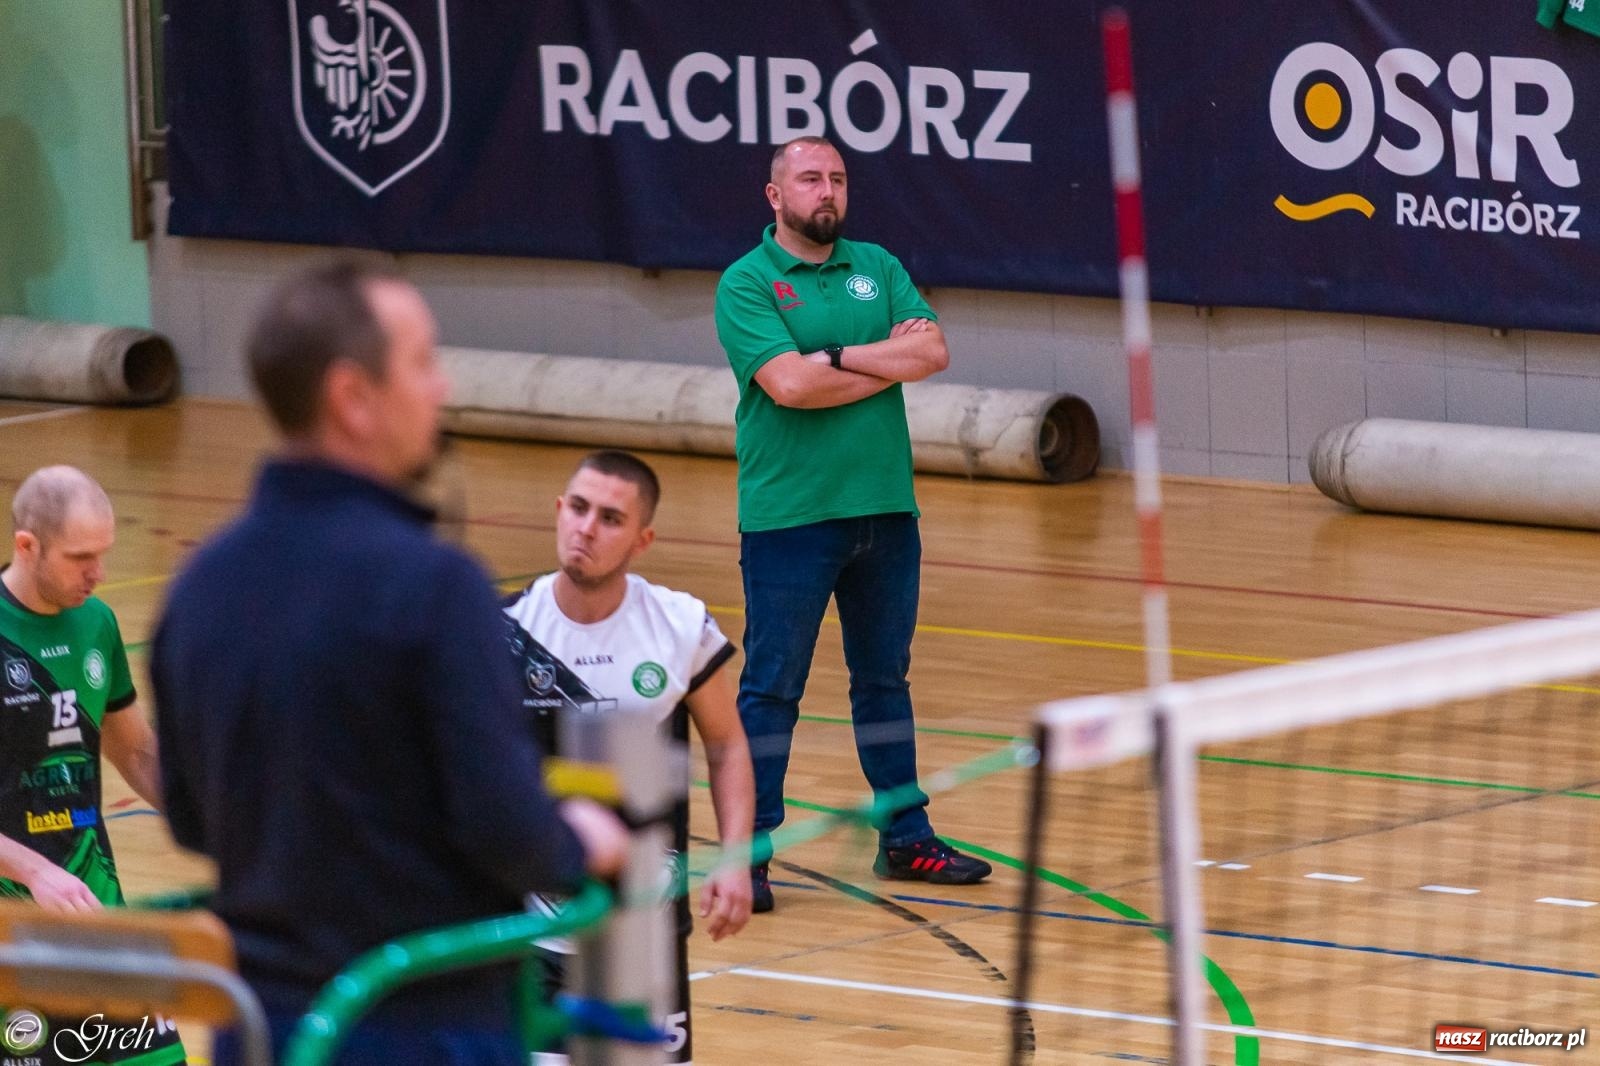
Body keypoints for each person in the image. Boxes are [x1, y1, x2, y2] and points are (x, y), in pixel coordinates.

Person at [150, 260, 629, 1066]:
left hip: (261, 1029)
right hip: (422, 1029)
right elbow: (505, 829)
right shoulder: (435, 587)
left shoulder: (200, 585)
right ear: (353, 397)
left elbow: (192, 818)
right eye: (422, 363)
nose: (441, 389)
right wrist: (578, 842)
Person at [713, 136, 992, 913]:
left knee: (883, 683)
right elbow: (789, 387)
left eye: (836, 178)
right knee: (772, 689)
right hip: (790, 519)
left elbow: (932, 351)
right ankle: (751, 855)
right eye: (809, 179)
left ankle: (906, 838)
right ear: (775, 196)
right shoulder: (747, 283)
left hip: (886, 513)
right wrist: (873, 359)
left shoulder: (878, 265)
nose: (825, 191)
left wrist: (830, 358)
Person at [502, 449, 754, 1063]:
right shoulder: (505, 630)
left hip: (644, 926)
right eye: (580, 509)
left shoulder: (679, 626)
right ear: (559, 512)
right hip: (536, 929)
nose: (587, 528)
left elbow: (727, 745)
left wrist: (735, 859)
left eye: (610, 518)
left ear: (642, 540)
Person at [0, 465, 187, 1065]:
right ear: (26, 546)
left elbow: (134, 749)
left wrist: (221, 824)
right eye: (81, 557)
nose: (98, 574)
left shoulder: (98, 623)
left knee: (158, 1059)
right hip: (13, 921)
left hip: (90, 903)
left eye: (102, 555)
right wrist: (33, 873)